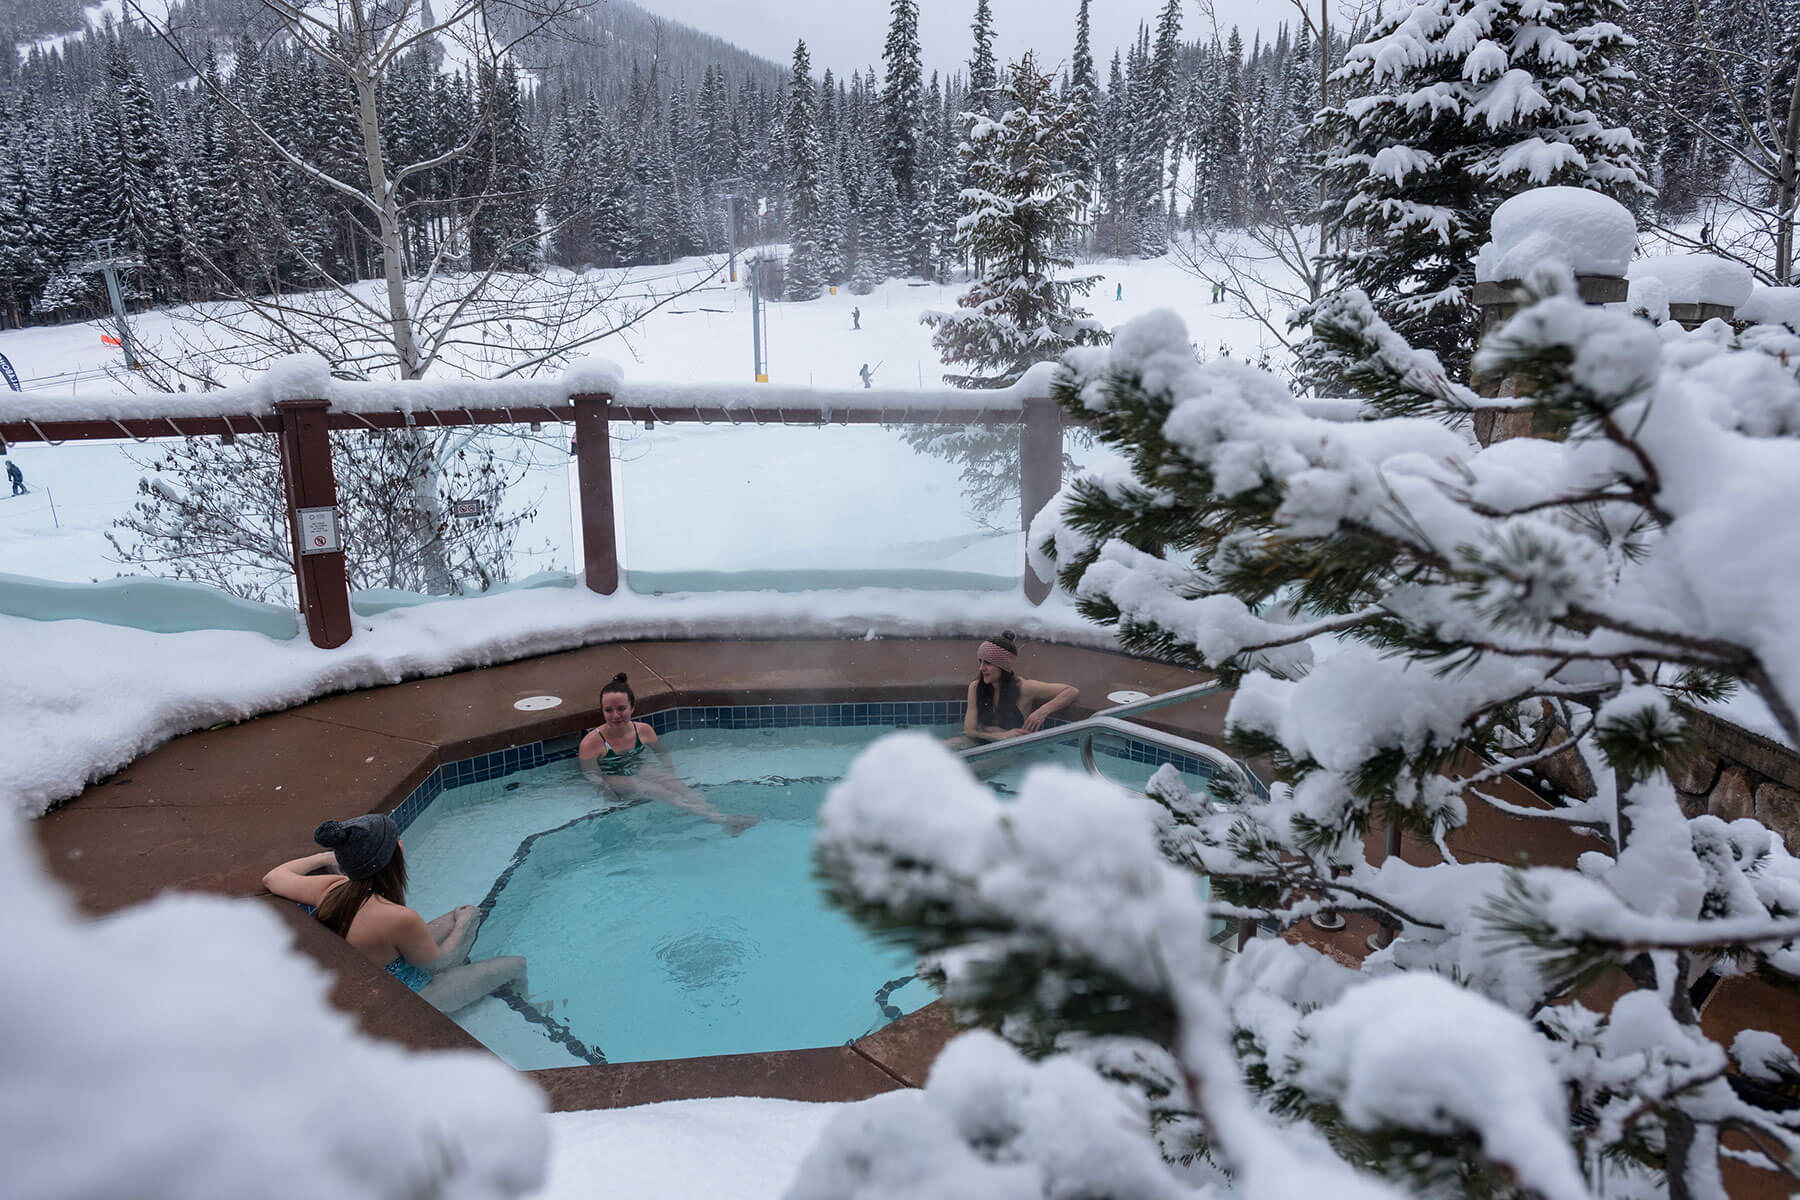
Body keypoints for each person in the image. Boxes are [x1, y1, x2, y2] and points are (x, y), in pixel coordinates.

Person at [262, 813, 527, 1013]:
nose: (401, 843)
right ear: (390, 860)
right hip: (411, 995)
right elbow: (441, 961)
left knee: (461, 917)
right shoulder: (398, 918)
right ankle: (525, 1004)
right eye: (396, 843)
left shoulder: (332, 888)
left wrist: (327, 859)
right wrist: (463, 925)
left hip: (380, 970)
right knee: (515, 963)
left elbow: (273, 878)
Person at [579, 673, 759, 835]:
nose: (615, 715)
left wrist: (669, 775)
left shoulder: (643, 731)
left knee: (681, 788)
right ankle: (722, 821)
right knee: (660, 791)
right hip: (612, 776)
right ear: (602, 710)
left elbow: (662, 754)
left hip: (636, 767)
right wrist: (613, 800)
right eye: (608, 710)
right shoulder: (591, 742)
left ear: (632, 707)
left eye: (621, 708)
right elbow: (592, 776)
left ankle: (723, 817)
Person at [945, 631, 1080, 750]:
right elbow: (969, 731)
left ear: (1002, 666)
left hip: (1009, 749)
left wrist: (1041, 712)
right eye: (980, 661)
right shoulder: (975, 687)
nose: (981, 668)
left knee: (970, 771)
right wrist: (1002, 735)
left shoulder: (1024, 687)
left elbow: (1071, 691)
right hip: (981, 740)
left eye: (988, 663)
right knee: (938, 751)